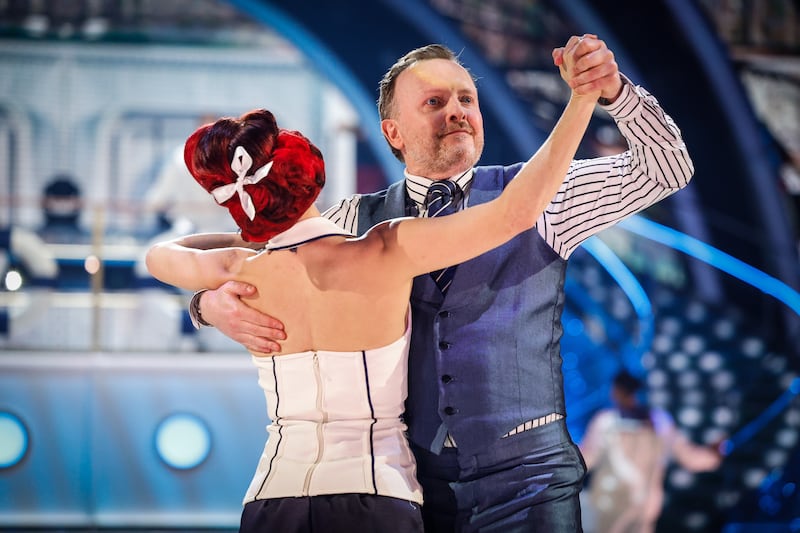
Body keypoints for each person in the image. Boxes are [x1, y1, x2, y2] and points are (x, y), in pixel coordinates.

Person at [186, 35, 695, 532]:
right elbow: (242, 257)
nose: (456, 110)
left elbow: (668, 169)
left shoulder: (542, 196)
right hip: (412, 488)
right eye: (434, 101)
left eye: (466, 98)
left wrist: (617, 95)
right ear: (393, 133)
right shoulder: (349, 222)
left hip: (529, 482)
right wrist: (207, 305)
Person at [579, 370, 724, 533]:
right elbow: (586, 457)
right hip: (609, 507)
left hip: (643, 509)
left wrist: (712, 455)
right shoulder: (607, 422)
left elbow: (687, 455)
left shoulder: (659, 422)